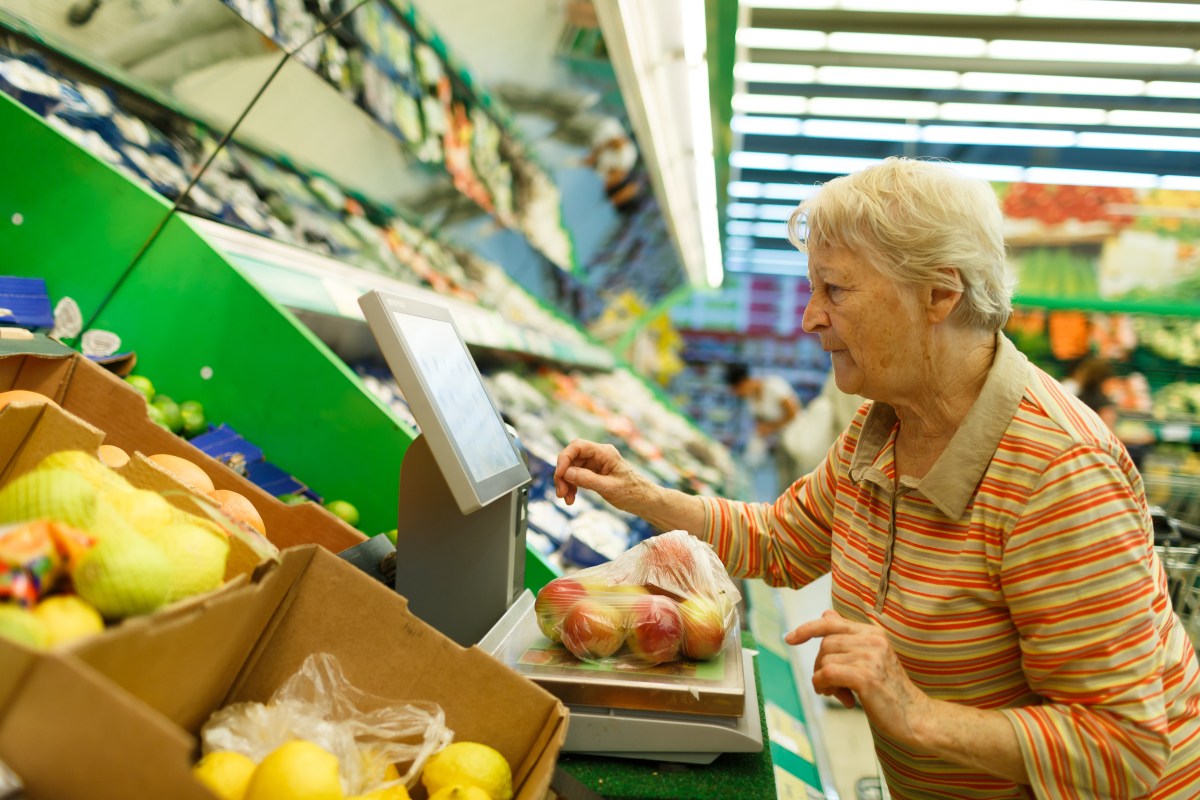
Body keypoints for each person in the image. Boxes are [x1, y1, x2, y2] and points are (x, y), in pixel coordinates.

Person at [554, 157, 1200, 799]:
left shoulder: (1057, 475)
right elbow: (781, 541)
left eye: (835, 289)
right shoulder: (884, 424)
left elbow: (1125, 748)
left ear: (939, 295)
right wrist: (642, 495)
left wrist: (914, 712)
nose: (810, 318)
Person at [724, 363, 802, 493]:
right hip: (781, 442)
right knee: (784, 477)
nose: (739, 394)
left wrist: (770, 427)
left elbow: (793, 412)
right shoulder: (751, 398)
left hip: (796, 439)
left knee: (796, 476)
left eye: (738, 390)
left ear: (744, 382)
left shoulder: (773, 386)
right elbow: (761, 420)